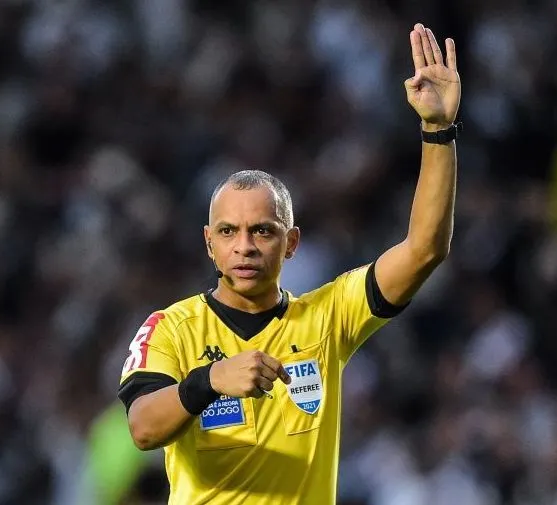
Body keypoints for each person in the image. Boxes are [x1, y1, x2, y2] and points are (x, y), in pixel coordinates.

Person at [117, 23, 461, 505]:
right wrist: (210, 380)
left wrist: (438, 131)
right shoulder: (171, 329)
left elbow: (425, 249)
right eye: (228, 232)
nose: (244, 247)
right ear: (209, 244)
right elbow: (143, 429)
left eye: (262, 231)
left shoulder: (329, 317)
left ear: (291, 243)